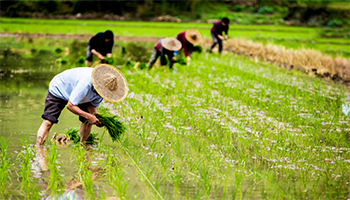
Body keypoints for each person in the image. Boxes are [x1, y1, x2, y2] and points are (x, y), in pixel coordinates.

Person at [36, 64, 128, 146]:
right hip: (59, 89)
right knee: (48, 122)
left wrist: (96, 118)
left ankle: (83, 146)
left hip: (80, 95)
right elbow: (70, 105)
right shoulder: (85, 84)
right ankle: (39, 148)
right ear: (98, 86)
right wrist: (88, 116)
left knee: (87, 121)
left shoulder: (103, 91)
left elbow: (92, 106)